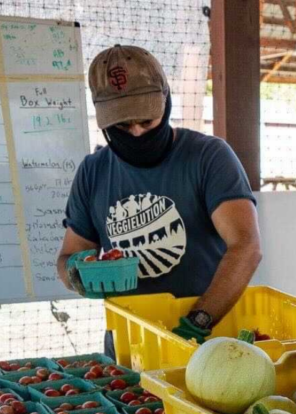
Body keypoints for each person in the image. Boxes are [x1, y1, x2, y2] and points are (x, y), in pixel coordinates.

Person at [57, 45, 262, 344]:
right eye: (123, 125)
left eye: (147, 121)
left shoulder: (209, 157)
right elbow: (68, 257)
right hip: (129, 341)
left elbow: (246, 247)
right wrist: (76, 273)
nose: (137, 133)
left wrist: (197, 322)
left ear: (165, 102)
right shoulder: (92, 172)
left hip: (207, 340)